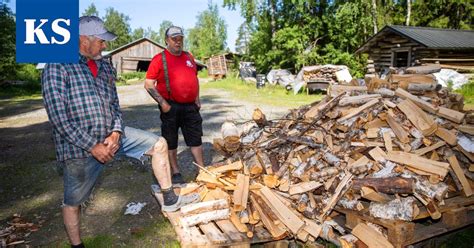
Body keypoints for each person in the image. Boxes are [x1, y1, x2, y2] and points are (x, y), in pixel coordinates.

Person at [41, 16, 198, 248]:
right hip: (78, 147)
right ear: (84, 40)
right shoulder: (56, 65)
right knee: (72, 201)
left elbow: (114, 104)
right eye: (101, 41)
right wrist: (92, 146)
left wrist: (116, 132)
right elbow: (58, 117)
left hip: (112, 137)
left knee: (159, 144)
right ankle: (77, 245)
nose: (105, 46)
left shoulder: (104, 65)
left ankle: (169, 198)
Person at [144, 26, 204, 184]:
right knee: (171, 140)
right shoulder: (159, 59)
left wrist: (197, 98)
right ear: (167, 40)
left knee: (195, 138)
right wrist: (163, 103)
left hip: (191, 106)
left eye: (180, 39)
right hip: (171, 106)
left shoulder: (189, 56)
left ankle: (202, 170)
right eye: (174, 39)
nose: (178, 42)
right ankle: (176, 171)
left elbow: (194, 78)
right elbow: (149, 84)